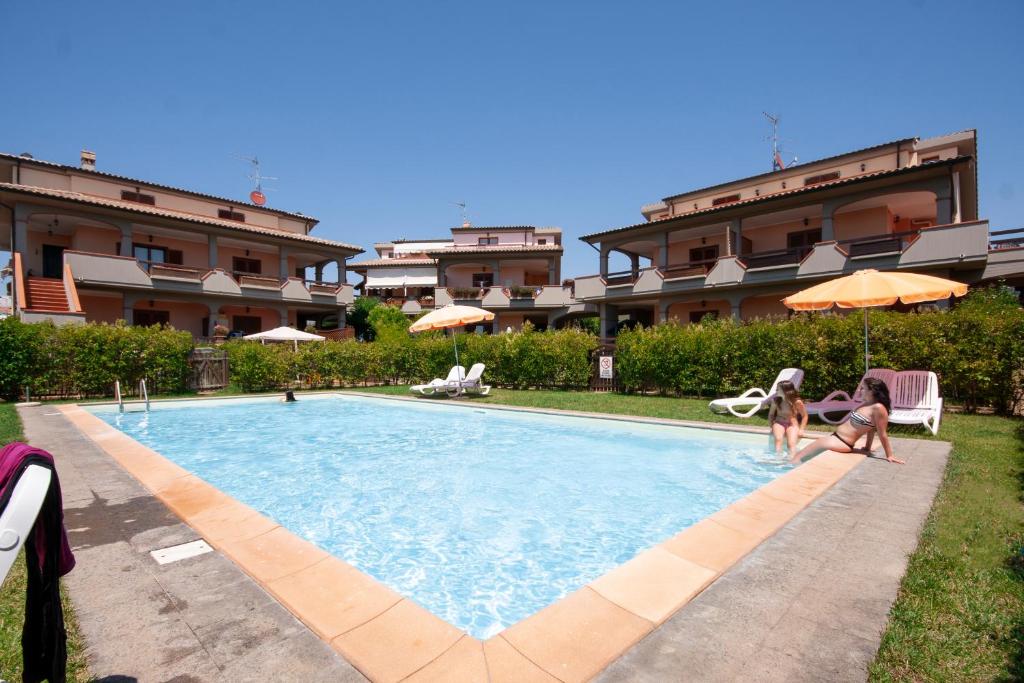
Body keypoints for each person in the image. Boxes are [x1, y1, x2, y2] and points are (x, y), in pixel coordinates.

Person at [791, 377, 905, 465]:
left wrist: (889, 455)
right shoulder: (866, 404)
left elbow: (882, 433)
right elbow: (871, 428)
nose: (860, 390)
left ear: (872, 391)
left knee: (797, 458)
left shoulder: (879, 408)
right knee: (801, 458)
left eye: (863, 388)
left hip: (842, 442)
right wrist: (867, 447)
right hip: (836, 438)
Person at [767, 380, 807, 456]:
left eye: (778, 389)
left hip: (792, 425)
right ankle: (778, 459)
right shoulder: (776, 400)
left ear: (786, 390)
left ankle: (792, 460)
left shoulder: (797, 402)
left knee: (791, 444)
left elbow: (804, 416)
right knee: (778, 440)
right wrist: (771, 425)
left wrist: (801, 429)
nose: (776, 391)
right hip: (779, 423)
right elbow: (771, 414)